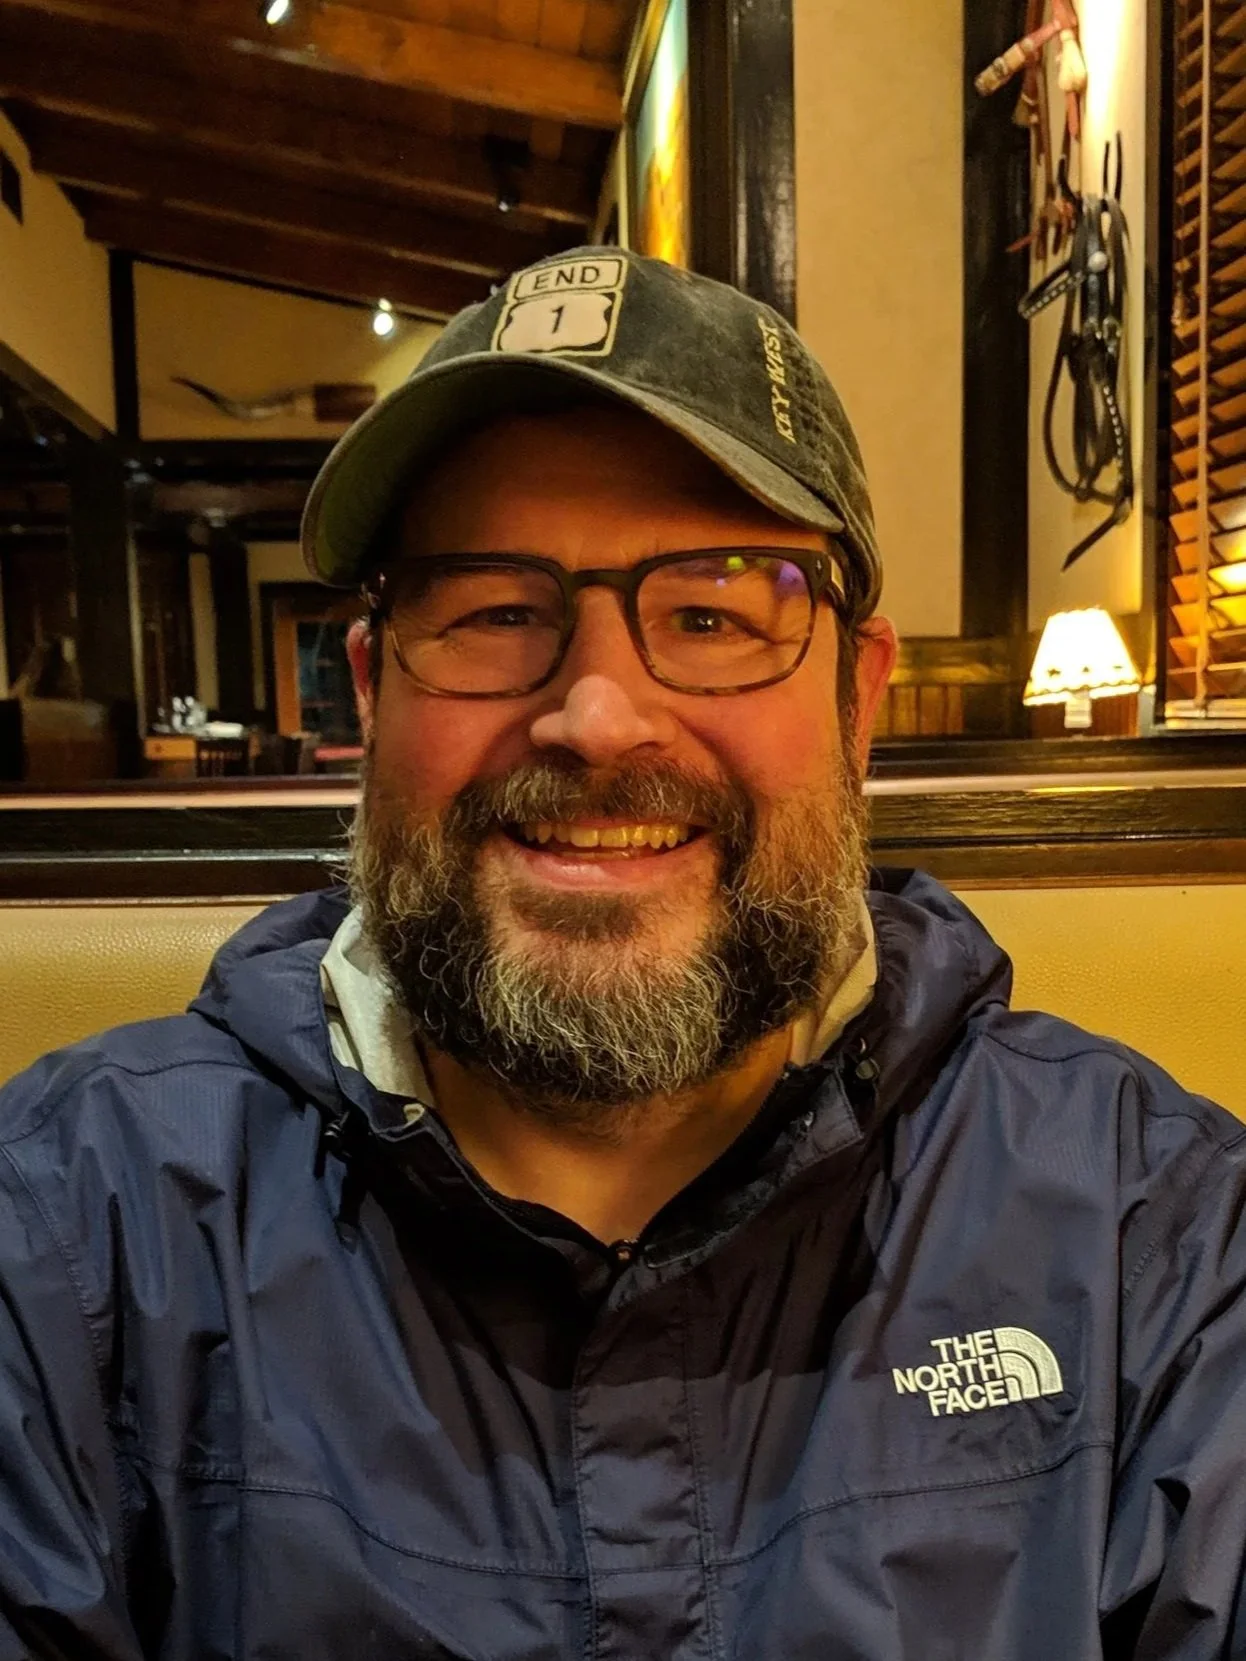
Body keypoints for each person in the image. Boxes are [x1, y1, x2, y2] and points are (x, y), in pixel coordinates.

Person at [0, 248, 1243, 1660]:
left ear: (855, 700)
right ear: (372, 694)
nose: (596, 717)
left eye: (712, 613)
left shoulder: (1156, 1234)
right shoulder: (63, 1231)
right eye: (492, 612)